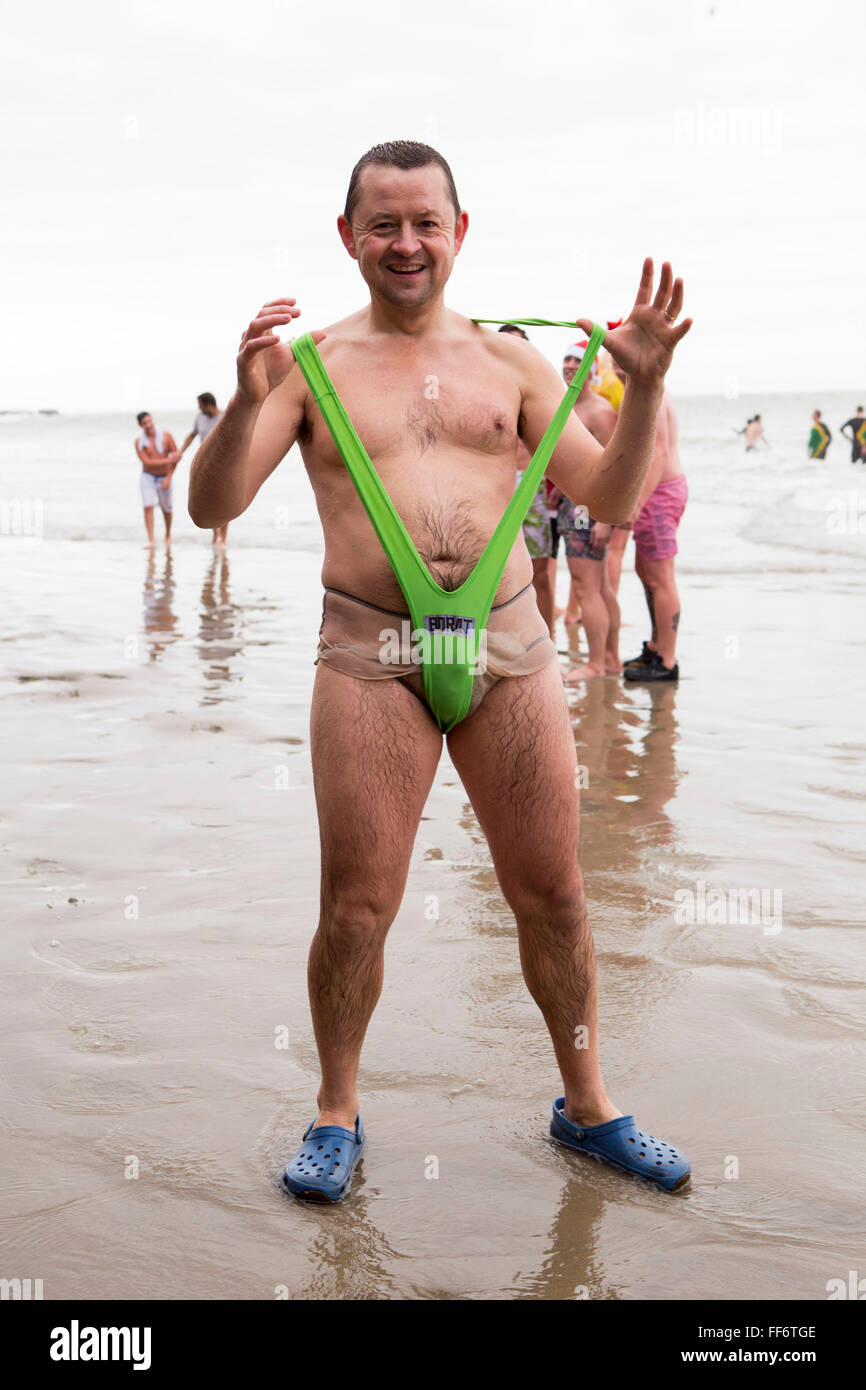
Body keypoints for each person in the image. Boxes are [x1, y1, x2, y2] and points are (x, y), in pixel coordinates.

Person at [188, 140, 693, 1201]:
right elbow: (211, 505)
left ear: (460, 233)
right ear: (348, 238)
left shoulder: (509, 365)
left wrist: (641, 388)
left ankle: (587, 1104)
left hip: (506, 648)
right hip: (371, 656)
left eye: (425, 222)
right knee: (357, 910)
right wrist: (242, 399)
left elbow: (604, 497)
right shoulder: (305, 365)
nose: (405, 242)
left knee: (552, 893)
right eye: (383, 223)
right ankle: (335, 1110)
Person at [557, 344, 621, 681]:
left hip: (589, 510)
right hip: (574, 505)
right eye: (566, 359)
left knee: (587, 588)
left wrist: (606, 521)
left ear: (592, 369)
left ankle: (596, 664)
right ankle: (610, 660)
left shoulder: (600, 412)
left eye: (577, 360)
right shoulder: (567, 407)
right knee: (601, 587)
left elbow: (618, 470)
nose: (569, 365)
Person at [623, 393, 686, 682]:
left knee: (661, 578)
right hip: (654, 494)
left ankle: (667, 661)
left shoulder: (652, 392)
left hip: (659, 494)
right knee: (646, 572)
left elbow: (659, 453)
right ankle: (656, 645)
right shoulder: (637, 390)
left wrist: (636, 503)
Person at [499, 325, 555, 636]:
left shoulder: (537, 392)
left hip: (533, 487)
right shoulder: (484, 389)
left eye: (518, 344)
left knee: (542, 572)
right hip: (498, 487)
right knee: (498, 572)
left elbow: (557, 443)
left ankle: (548, 641)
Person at [181, 394, 229, 546]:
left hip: (223, 464)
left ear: (209, 405)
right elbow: (192, 435)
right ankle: (215, 534)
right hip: (204, 465)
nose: (199, 408)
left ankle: (223, 538)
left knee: (223, 502)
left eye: (200, 405)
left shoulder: (225, 417)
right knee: (209, 503)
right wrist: (180, 452)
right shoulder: (200, 417)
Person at [135, 411, 180, 546]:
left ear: (153, 421)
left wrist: (169, 477)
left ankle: (167, 535)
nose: (148, 425)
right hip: (147, 476)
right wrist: (168, 460)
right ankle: (151, 540)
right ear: (140, 426)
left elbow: (176, 458)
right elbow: (147, 462)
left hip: (165, 476)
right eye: (144, 423)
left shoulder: (166, 436)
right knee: (148, 506)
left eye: (149, 421)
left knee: (166, 509)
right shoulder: (139, 442)